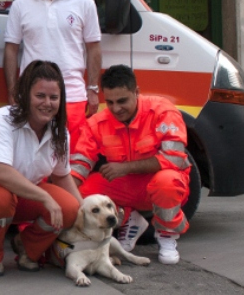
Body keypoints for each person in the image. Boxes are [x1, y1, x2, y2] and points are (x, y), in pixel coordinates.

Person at [0, 60, 82, 277]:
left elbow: (62, 176)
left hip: (23, 196)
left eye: (54, 97)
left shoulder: (60, 132)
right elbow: (0, 172)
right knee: (0, 199)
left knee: (69, 208)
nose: (47, 103)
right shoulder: (2, 119)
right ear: (25, 95)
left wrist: (84, 213)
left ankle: (27, 248)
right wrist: (45, 198)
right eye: (40, 96)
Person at [70, 64, 191, 265]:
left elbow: (174, 159)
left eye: (122, 101)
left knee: (167, 181)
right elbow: (80, 162)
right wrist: (63, 198)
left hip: (160, 183)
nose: (116, 108)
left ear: (137, 92)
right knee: (83, 192)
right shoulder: (97, 123)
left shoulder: (163, 112)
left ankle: (166, 236)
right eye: (109, 102)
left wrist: (125, 168)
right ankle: (128, 219)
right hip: (125, 186)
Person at [3, 0, 101, 152]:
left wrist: (93, 88)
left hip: (73, 97)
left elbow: (93, 47)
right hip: (32, 98)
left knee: (72, 160)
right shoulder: (21, 5)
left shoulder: (84, 3)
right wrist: (13, 92)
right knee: (33, 159)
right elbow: (11, 50)